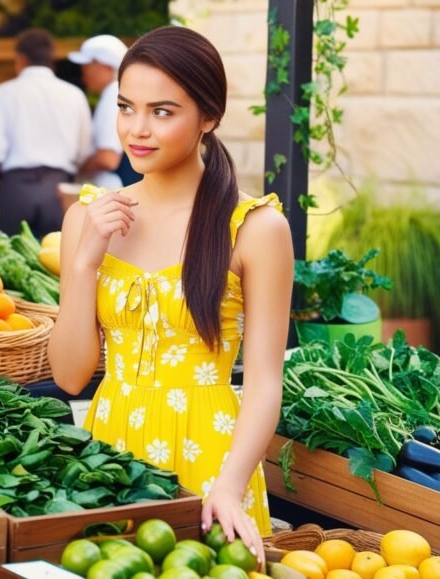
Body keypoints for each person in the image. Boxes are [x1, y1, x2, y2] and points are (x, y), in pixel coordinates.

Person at [47, 26, 293, 564]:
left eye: (162, 111)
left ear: (208, 117)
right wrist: (86, 258)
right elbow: (69, 376)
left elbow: (265, 382)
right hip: (112, 454)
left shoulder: (255, 227)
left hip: (214, 456)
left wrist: (230, 485)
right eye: (126, 107)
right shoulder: (87, 218)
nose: (137, 130)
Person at [0, 28, 92, 237]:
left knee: (7, 260)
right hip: (60, 190)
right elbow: (84, 151)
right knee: (61, 262)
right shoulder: (74, 95)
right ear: (51, 59)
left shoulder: (4, 93)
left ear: (20, 58)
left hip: (15, 190)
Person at [68, 35, 128, 190]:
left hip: (111, 189)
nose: (83, 73)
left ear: (105, 66)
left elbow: (107, 158)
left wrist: (79, 174)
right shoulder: (115, 92)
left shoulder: (114, 94)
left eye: (87, 65)